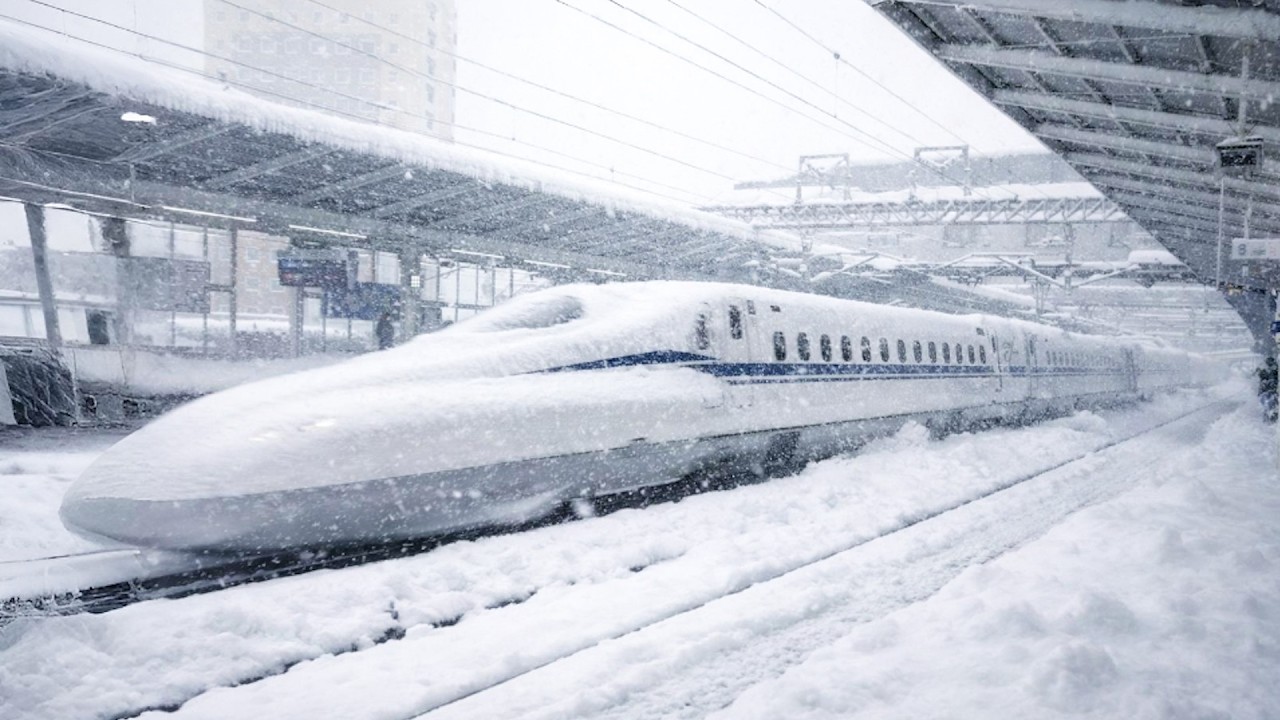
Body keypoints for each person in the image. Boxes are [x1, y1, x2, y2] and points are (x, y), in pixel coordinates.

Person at [1257, 356, 1278, 423]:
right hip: (1266, 393)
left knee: (1272, 404)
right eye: (1269, 363)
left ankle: (1271, 416)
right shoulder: (1264, 372)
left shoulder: (1275, 371)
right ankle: (1268, 417)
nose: (1270, 365)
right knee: (1267, 405)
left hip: (1272, 393)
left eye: (1271, 363)